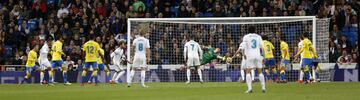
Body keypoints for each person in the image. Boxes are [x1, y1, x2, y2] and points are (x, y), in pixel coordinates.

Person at [241, 26, 266, 93]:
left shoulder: (246, 37)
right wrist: (263, 56)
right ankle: (263, 88)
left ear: (248, 30)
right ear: (255, 30)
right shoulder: (258, 37)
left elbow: (243, 48)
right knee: (260, 71)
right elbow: (262, 48)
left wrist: (244, 55)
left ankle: (250, 89)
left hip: (249, 55)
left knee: (248, 72)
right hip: (257, 55)